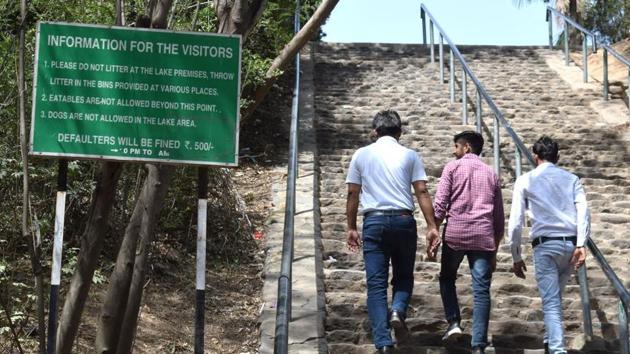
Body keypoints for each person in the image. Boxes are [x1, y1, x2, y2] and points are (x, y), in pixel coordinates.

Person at [346, 110, 440, 354]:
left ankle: (383, 343)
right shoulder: (410, 155)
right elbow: (421, 191)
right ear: (399, 132)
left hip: (374, 222)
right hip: (403, 220)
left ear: (374, 132)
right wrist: (431, 225)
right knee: (404, 276)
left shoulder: (361, 154)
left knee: (376, 285)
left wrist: (351, 227)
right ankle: (398, 309)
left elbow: (353, 193)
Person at [506, 136, 589, 354]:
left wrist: (515, 254)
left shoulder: (526, 179)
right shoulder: (571, 179)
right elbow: (583, 212)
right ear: (557, 157)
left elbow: (515, 222)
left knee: (551, 301)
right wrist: (581, 243)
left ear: (535, 156)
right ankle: (549, 338)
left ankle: (557, 349)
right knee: (556, 296)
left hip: (545, 246)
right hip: (570, 245)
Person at [432, 131, 504, 354]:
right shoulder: (491, 173)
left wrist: (433, 229)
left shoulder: (452, 168)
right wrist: (495, 248)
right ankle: (479, 345)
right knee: (481, 290)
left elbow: (441, 203)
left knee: (447, 278)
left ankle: (454, 322)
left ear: (467, 148)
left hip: (456, 234)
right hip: (483, 238)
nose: (454, 151)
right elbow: (499, 218)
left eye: (456, 146)